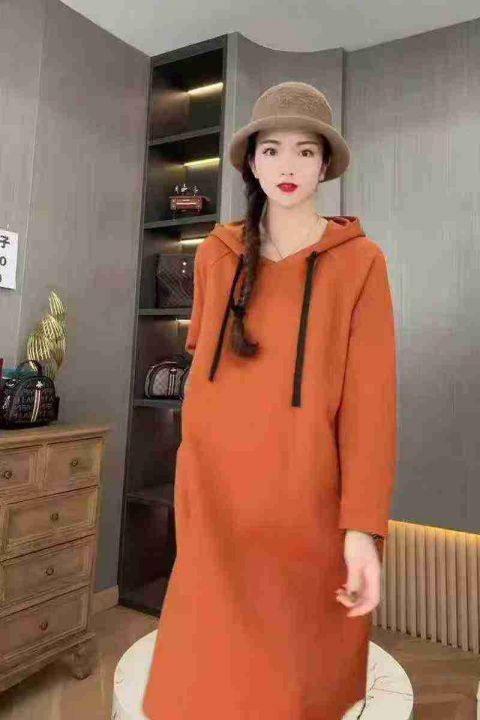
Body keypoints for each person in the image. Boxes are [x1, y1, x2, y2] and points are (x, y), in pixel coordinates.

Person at [142, 81, 397, 720]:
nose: (288, 165)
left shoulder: (361, 262)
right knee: (205, 685)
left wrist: (362, 527)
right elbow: (203, 368)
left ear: (325, 165)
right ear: (252, 162)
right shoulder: (216, 255)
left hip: (308, 501)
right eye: (273, 149)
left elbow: (371, 406)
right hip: (216, 498)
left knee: (296, 688)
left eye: (306, 151)